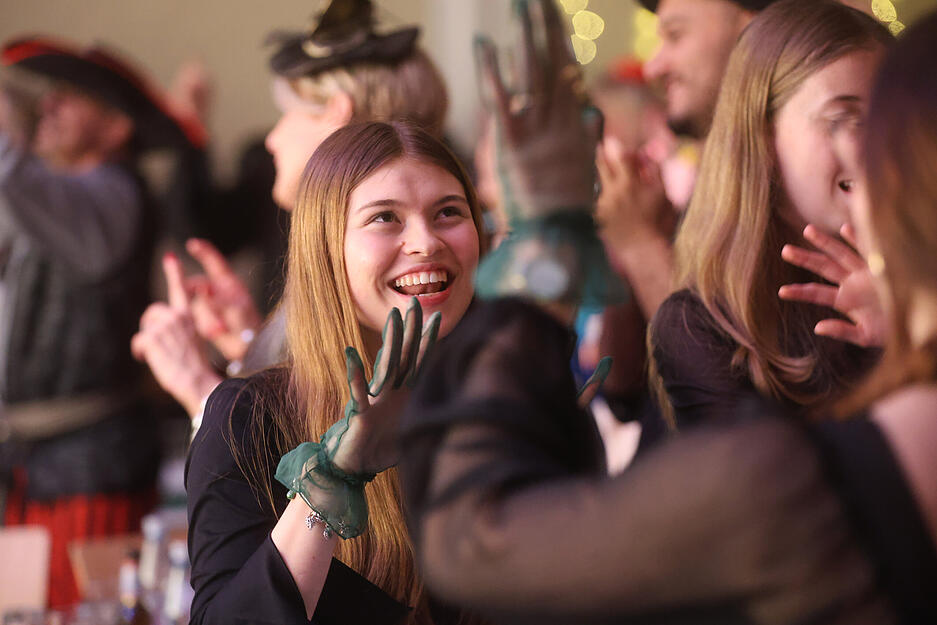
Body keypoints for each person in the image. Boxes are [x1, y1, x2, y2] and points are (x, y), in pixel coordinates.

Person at [398, 1, 937, 622]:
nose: (865, 158)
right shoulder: (723, 324)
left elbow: (477, 540)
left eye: (881, 135)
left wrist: (546, 245)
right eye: (847, 123)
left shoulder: (793, 488)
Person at [185, 120, 486, 624]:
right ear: (327, 249)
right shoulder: (248, 417)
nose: (426, 242)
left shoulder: (500, 402)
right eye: (385, 217)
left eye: (448, 212)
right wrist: (333, 480)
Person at [131, 0, 450, 426]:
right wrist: (251, 341)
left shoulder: (378, 272)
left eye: (287, 115)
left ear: (336, 111)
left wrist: (198, 390)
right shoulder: (365, 255)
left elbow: (318, 452)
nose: (273, 138)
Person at [0, 37, 195, 607]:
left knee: (85, 610)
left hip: (89, 464)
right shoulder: (49, 196)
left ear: (116, 129)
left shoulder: (116, 192)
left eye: (72, 98)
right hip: (35, 460)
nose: (51, 108)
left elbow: (17, 177)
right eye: (50, 97)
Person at [649, 1, 891, 427]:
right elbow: (765, 490)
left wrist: (909, 333)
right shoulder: (703, 325)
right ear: (763, 139)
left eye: (890, 118)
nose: (876, 145)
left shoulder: (923, 284)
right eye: (844, 118)